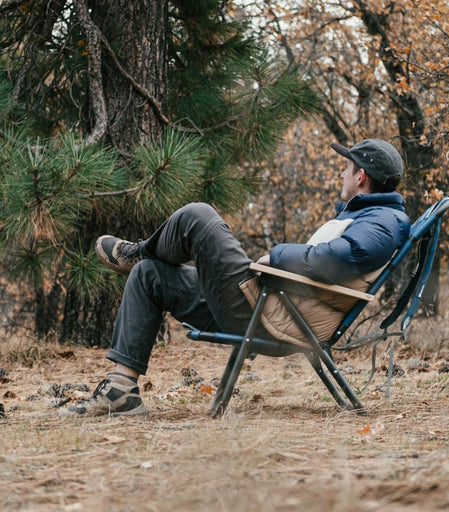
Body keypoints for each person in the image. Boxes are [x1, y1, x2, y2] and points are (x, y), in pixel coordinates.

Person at [62, 139, 411, 417]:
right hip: (268, 305)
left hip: (273, 313)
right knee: (149, 275)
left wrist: (276, 256)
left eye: (346, 169)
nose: (342, 175)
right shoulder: (373, 216)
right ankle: (121, 392)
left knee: (200, 216)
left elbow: (346, 256)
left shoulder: (383, 221)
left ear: (361, 176)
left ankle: (138, 249)